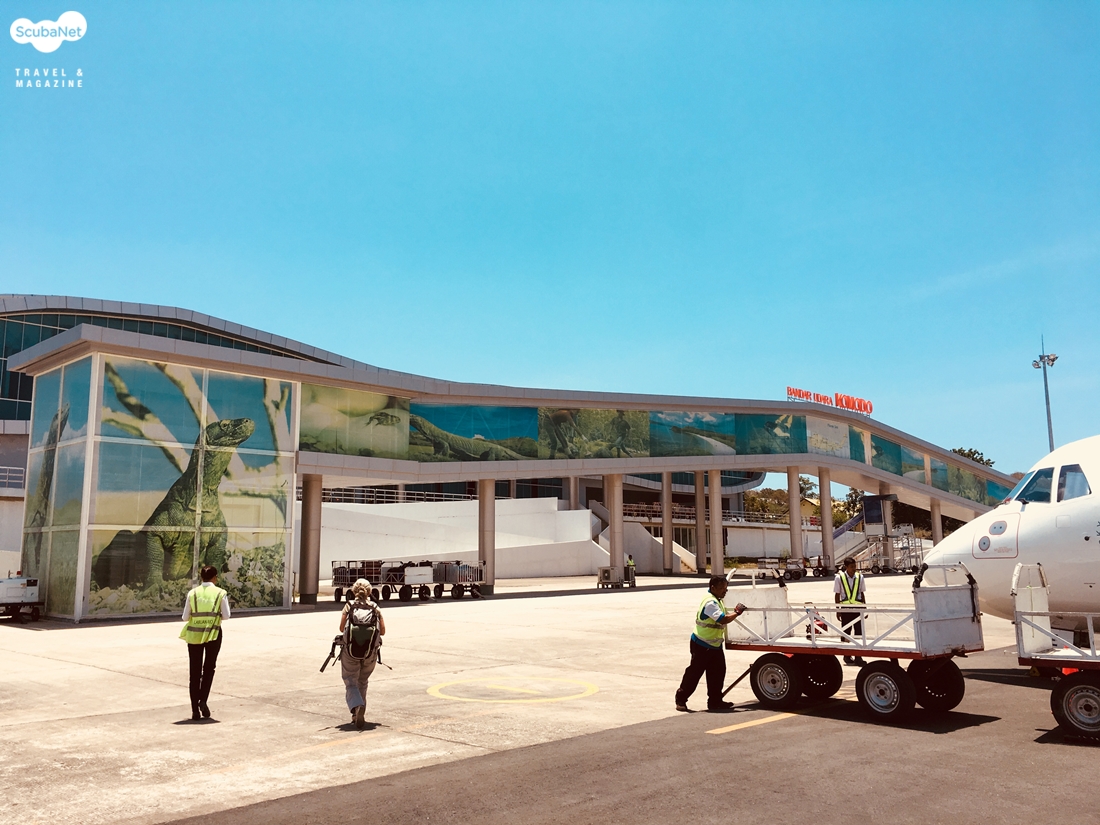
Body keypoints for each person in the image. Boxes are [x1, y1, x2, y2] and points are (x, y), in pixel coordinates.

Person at [675, 574, 744, 712]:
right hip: (702, 644)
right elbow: (722, 619)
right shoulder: (710, 603)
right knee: (695, 673)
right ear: (713, 588)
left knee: (717, 673)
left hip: (714, 645)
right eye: (722, 588)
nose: (725, 591)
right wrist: (737, 612)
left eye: (726, 588)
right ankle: (681, 699)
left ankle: (715, 701)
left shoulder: (717, 599)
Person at [180, 564, 230, 721]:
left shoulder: (192, 593)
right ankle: (203, 700)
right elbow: (226, 615)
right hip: (213, 634)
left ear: (201, 577)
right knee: (209, 668)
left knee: (194, 672)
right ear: (215, 578)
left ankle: (194, 710)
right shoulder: (220, 593)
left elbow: (185, 617)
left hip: (194, 635)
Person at [339, 578, 386, 730]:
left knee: (351, 681)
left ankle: (357, 707)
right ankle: (359, 712)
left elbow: (341, 628)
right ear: (369, 592)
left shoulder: (349, 606)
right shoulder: (375, 608)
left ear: (354, 591)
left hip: (350, 652)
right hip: (370, 653)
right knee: (363, 681)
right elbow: (383, 631)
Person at [834, 558, 867, 666]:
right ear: (846, 567)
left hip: (857, 608)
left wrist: (864, 607)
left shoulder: (860, 577)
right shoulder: (839, 578)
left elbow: (862, 593)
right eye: (851, 567)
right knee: (846, 632)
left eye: (854, 566)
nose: (854, 569)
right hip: (846, 609)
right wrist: (838, 610)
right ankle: (847, 655)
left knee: (859, 632)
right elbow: (837, 595)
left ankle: (858, 656)